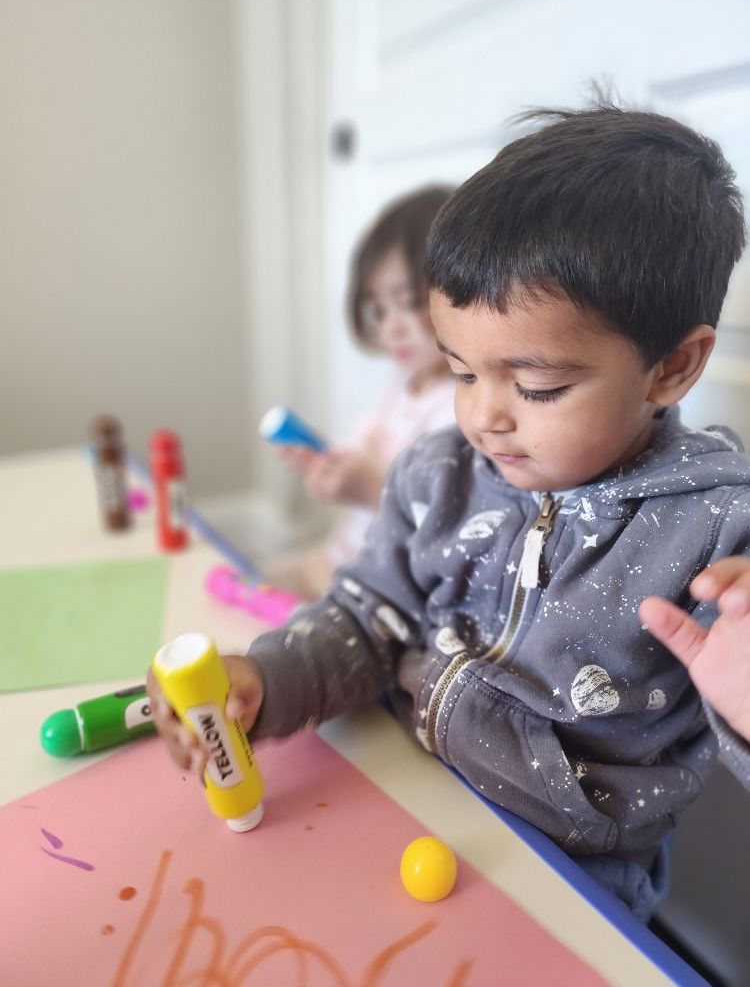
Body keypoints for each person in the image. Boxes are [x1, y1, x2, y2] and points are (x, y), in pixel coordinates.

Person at [149, 102, 750, 921]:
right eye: (461, 372)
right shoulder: (440, 473)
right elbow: (370, 616)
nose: (483, 418)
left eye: (536, 387)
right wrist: (271, 680)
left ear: (673, 368)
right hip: (404, 790)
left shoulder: (717, 536)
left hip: (567, 878)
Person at [261, 186, 456, 600]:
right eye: (379, 309)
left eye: (408, 303)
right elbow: (359, 446)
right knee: (249, 581)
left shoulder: (457, 407)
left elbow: (442, 520)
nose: (391, 327)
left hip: (383, 588)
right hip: (342, 555)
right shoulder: (398, 385)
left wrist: (370, 488)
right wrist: (325, 461)